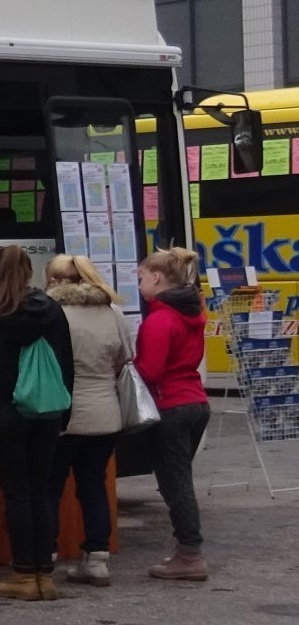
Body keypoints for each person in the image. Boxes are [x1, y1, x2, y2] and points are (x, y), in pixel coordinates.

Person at [0, 244, 74, 601]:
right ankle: (46, 573)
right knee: (42, 491)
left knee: (17, 493)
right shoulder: (53, 310)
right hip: (46, 410)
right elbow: (65, 363)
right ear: (29, 272)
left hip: (6, 412)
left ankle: (24, 574)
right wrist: (64, 413)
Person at [45, 254, 131, 586]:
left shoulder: (53, 314)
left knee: (49, 488)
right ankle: (96, 560)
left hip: (63, 414)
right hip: (106, 414)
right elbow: (124, 358)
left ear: (54, 281)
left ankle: (45, 557)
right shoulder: (113, 312)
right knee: (94, 487)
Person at [133, 246, 210, 581]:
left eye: (140, 278)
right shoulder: (192, 312)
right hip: (196, 400)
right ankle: (186, 550)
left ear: (157, 277)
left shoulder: (160, 319)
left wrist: (128, 367)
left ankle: (190, 554)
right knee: (179, 480)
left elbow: (150, 369)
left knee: (176, 484)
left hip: (170, 404)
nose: (138, 285)